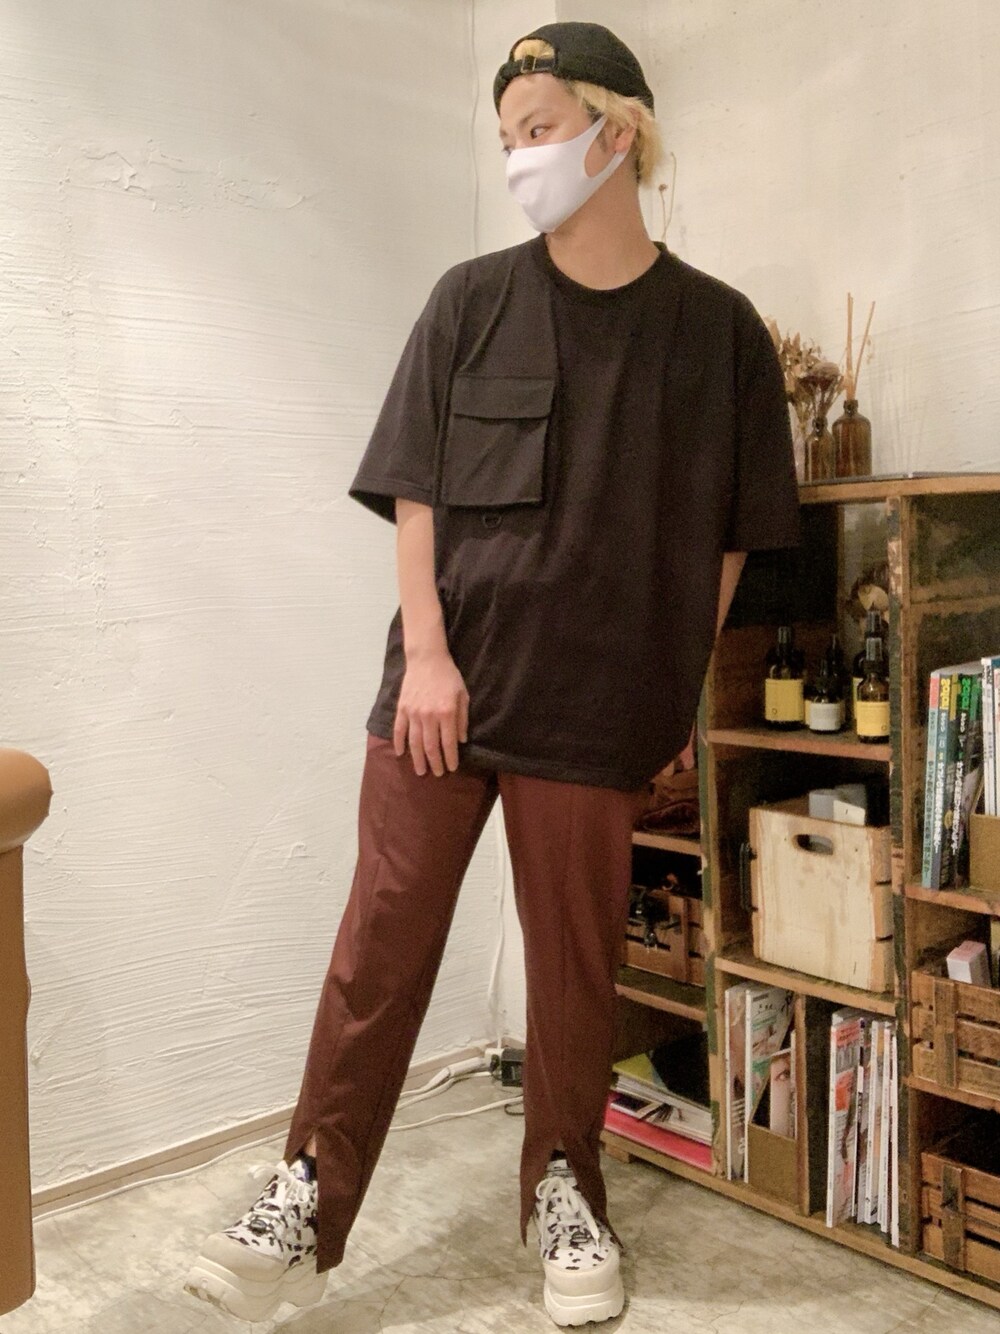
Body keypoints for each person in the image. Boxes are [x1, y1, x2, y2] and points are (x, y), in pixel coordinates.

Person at [184, 19, 800, 1328]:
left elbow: (733, 542)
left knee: (576, 969)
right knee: (380, 944)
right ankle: (307, 1191)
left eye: (540, 130)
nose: (520, 157)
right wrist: (424, 653)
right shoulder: (470, 302)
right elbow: (414, 489)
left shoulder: (719, 333)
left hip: (596, 704)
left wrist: (676, 693)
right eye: (508, 136)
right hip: (443, 693)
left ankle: (567, 1189)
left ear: (616, 133)